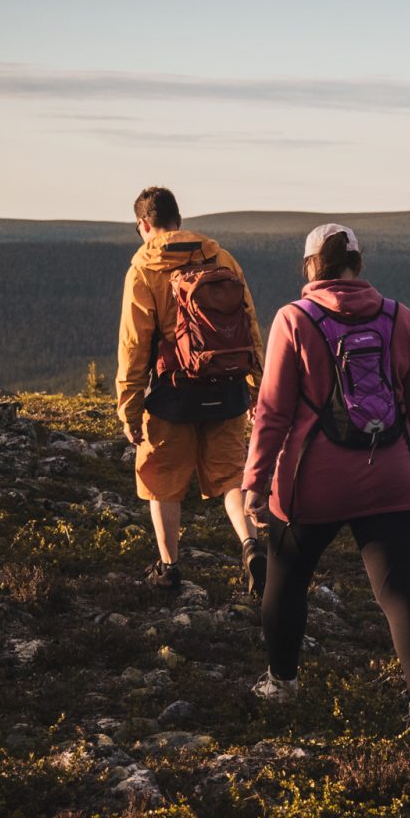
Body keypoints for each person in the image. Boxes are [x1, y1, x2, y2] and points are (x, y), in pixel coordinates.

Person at [242, 223, 410, 735]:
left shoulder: (294, 319)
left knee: (287, 580)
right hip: (392, 478)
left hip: (313, 482)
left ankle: (282, 683)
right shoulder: (399, 318)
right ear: (359, 262)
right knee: (401, 592)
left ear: (311, 267)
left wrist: (256, 481)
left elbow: (272, 412)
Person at [116, 186, 267, 595]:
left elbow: (134, 346)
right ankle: (251, 546)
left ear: (143, 224)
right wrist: (256, 387)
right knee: (232, 477)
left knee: (161, 480)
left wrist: (130, 410)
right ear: (178, 220)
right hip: (227, 385)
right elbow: (249, 325)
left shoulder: (143, 269)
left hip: (174, 394)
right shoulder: (221, 258)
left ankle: (168, 568)